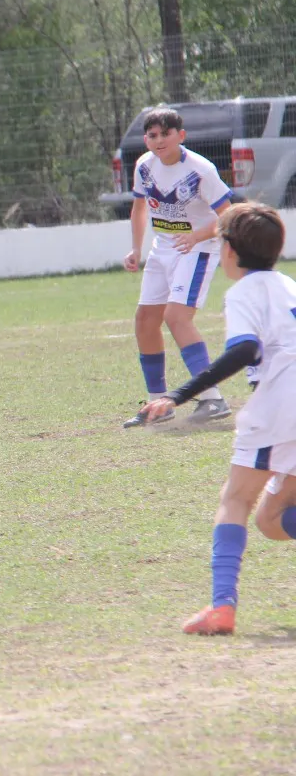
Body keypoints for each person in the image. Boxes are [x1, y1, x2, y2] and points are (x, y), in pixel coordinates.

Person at [139, 202, 296, 635]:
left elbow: (246, 350)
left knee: (236, 500)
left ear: (227, 250)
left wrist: (179, 394)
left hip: (281, 402)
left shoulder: (244, 293)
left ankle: (221, 608)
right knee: (271, 518)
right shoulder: (288, 285)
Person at [122, 106, 233, 428]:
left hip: (198, 248)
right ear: (146, 139)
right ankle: (159, 403)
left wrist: (198, 235)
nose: (159, 141)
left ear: (180, 136)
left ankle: (212, 398)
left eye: (166, 134)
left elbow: (229, 215)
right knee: (145, 320)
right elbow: (139, 207)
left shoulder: (200, 170)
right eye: (152, 135)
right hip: (163, 248)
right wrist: (135, 248)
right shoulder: (144, 165)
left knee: (176, 317)